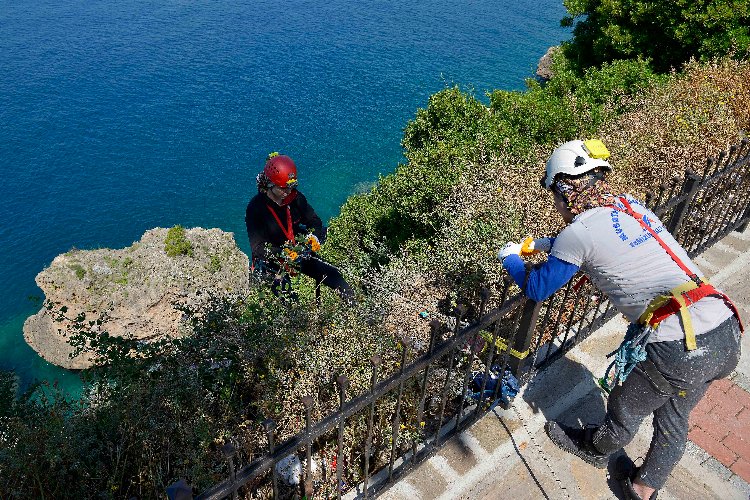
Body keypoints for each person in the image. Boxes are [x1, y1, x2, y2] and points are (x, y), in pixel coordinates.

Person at [497, 139, 742, 499]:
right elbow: (613, 239)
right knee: (674, 418)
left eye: (556, 195)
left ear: (566, 188)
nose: (556, 205)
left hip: (679, 345)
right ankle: (643, 489)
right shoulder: (629, 206)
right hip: (722, 329)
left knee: (625, 407)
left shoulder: (577, 233)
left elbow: (537, 286)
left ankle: (596, 449)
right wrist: (552, 243)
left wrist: (510, 258)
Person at [245, 152, 354, 302]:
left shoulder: (294, 198)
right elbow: (258, 247)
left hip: (297, 250)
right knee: (288, 299)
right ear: (270, 185)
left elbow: (315, 221)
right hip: (273, 261)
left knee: (334, 276)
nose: (288, 192)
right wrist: (283, 253)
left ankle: (360, 311)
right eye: (283, 188)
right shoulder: (256, 209)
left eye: (291, 187)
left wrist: (313, 236)